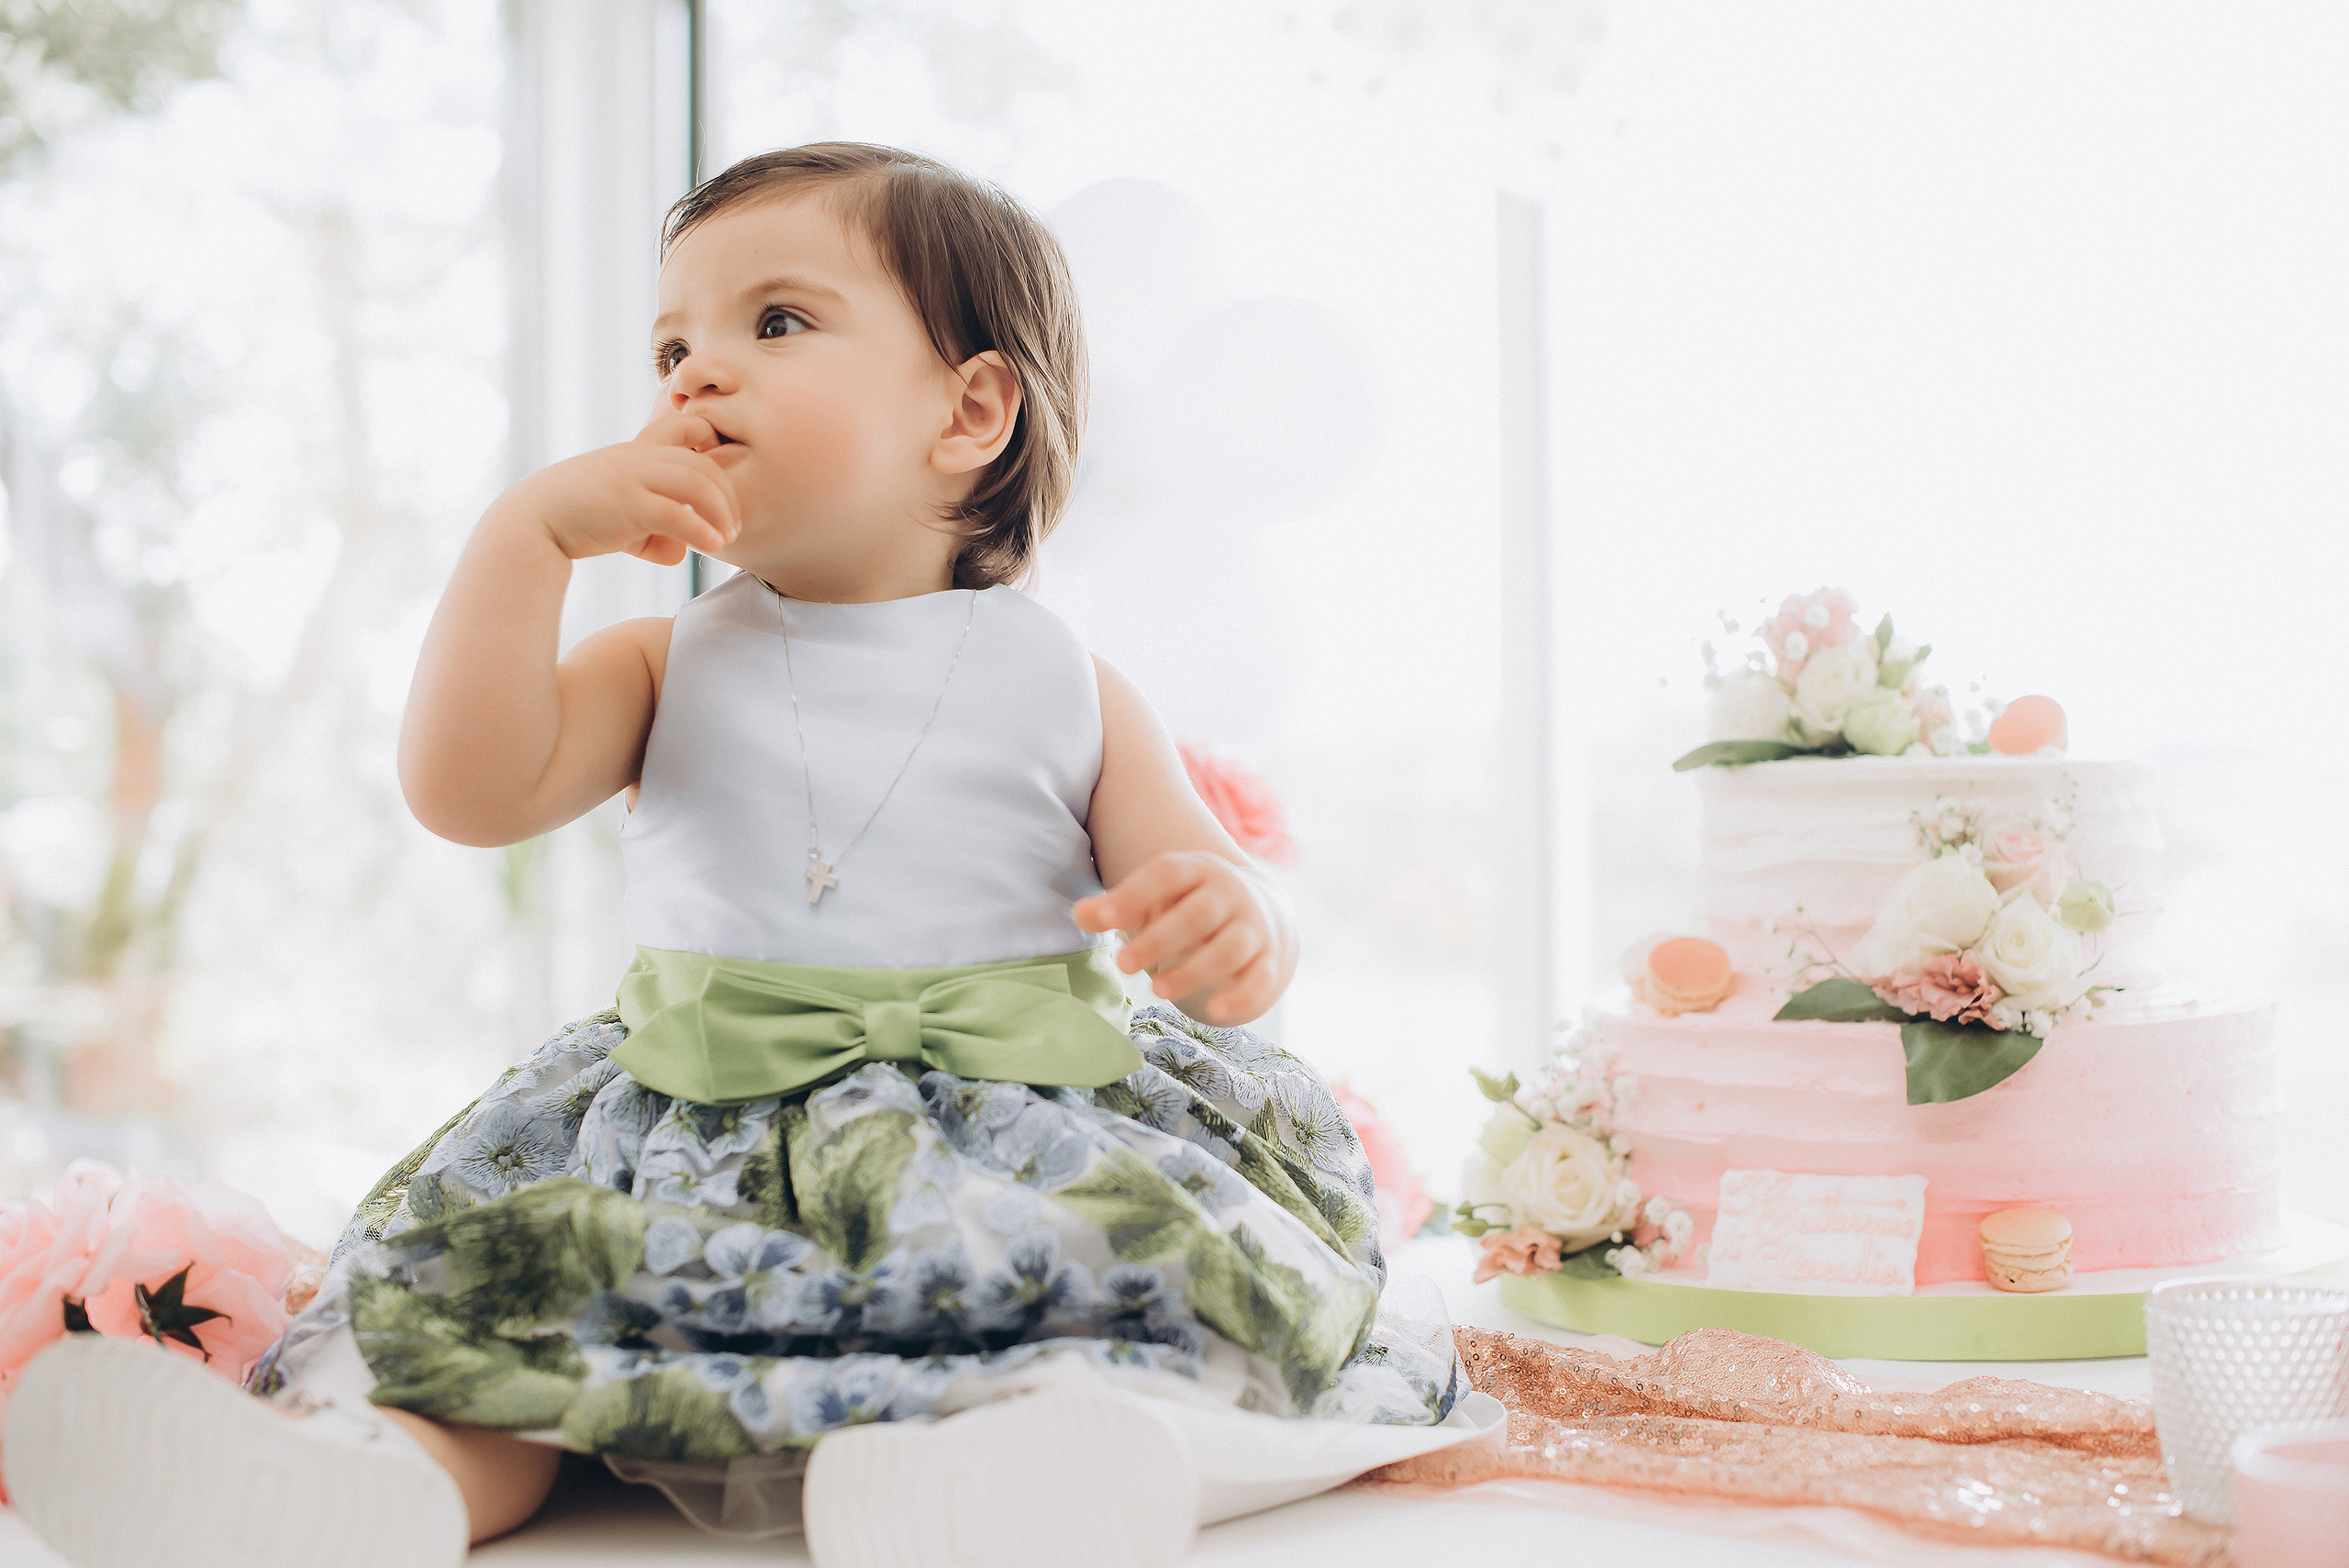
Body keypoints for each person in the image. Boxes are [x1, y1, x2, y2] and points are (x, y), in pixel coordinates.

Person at [4, 142, 1497, 1568]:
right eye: (670, 349)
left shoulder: (1068, 678)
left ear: (970, 412)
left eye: (776, 320)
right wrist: (525, 542)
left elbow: (1218, 889)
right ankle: (370, 1488)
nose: (699, 369)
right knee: (512, 1339)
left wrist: (1237, 920)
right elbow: (470, 788)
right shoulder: (667, 659)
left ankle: (999, 1474)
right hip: (696, 1133)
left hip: (1016, 1147)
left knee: (1138, 1328)